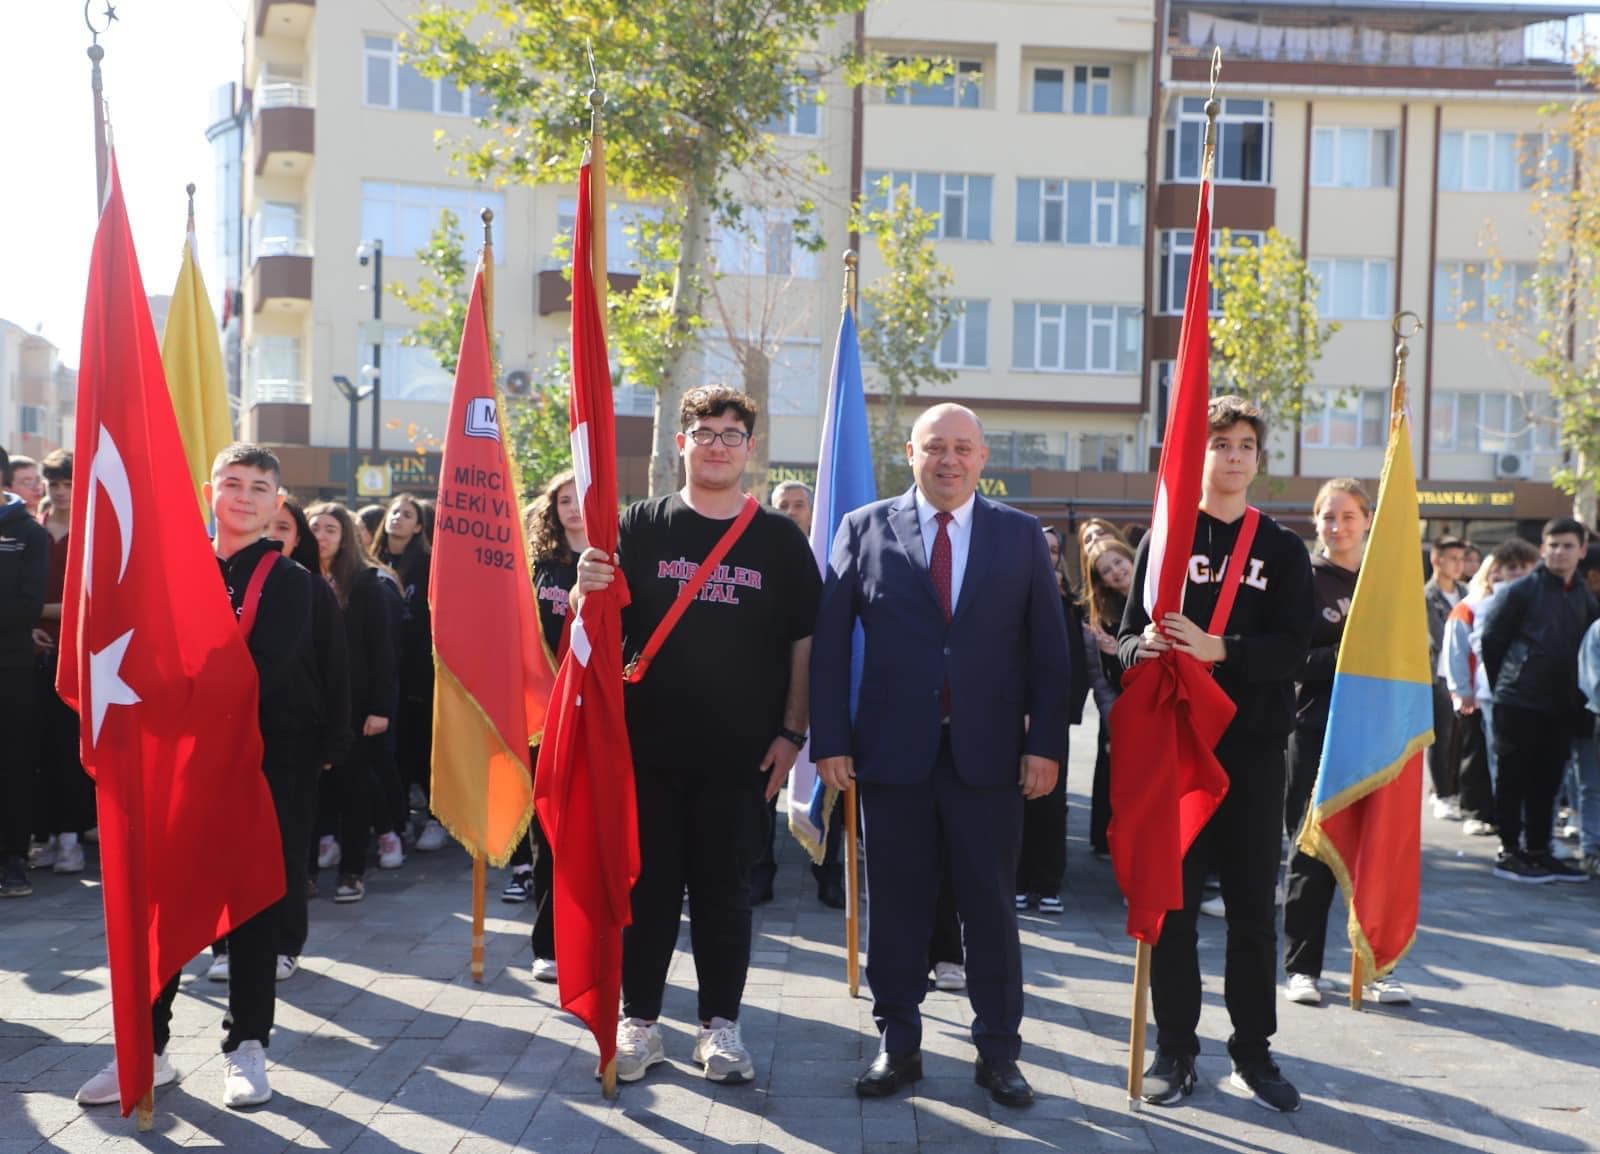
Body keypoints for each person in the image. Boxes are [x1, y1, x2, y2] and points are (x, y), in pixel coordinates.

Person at [813, 402, 1071, 1108]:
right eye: (936, 447)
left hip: (989, 760)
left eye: (963, 447)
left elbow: (1052, 654)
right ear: (911, 452)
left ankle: (998, 1053)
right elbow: (831, 647)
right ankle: (898, 1043)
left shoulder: (1019, 537)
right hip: (891, 759)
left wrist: (1045, 744)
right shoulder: (861, 529)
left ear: (983, 457)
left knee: (990, 909)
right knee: (896, 908)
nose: (949, 460)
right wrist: (829, 741)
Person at [76, 445, 342, 1109]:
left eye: (259, 487)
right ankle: (148, 1050)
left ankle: (247, 1045)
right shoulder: (167, 571)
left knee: (253, 902)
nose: (245, 497)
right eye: (233, 483)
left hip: (264, 762)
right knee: (162, 900)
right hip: (177, 761)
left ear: (277, 504)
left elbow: (266, 667)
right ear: (208, 490)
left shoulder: (292, 583)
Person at [575, 385, 820, 1086]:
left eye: (731, 433)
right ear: (680, 443)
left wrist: (792, 733)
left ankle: (720, 1028)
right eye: (704, 432)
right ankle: (640, 1022)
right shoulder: (639, 525)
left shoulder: (777, 538)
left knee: (725, 894)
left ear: (749, 448)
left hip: (743, 755)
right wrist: (591, 582)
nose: (716, 444)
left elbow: (804, 641)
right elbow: (599, 627)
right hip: (645, 750)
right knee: (646, 892)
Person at [1119, 395, 1314, 1113]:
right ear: (1195, 455)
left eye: (1245, 446)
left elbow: (1295, 647)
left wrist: (1219, 648)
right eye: (1220, 443)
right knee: (1170, 908)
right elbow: (1124, 641)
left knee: (1252, 913)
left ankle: (1253, 1051)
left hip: (1254, 752)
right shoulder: (1164, 538)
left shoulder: (1284, 549)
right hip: (1177, 753)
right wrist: (1152, 650)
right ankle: (1175, 1047)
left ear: (1259, 460)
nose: (1233, 456)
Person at [1281, 480, 1410, 1007]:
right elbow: (1287, 661)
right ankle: (1303, 968)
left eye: (1349, 516)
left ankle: (1376, 966)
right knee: (1311, 850)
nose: (1338, 526)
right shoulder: (1302, 581)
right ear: (1316, 522)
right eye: (1328, 517)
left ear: (1367, 519)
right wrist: (1345, 656)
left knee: (1375, 849)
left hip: (1377, 734)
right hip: (1315, 729)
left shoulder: (1387, 583)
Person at [1479, 518, 1598, 884]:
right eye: (1552, 545)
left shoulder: (1584, 596)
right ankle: (1510, 850)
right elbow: (1492, 643)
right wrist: (1509, 685)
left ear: (1581, 550)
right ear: (1543, 548)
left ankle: (1538, 850)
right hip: (1517, 702)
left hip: (1561, 706)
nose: (1558, 552)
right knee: (1513, 777)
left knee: (1548, 782)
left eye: (1566, 545)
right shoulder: (1520, 591)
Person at [502, 471, 586, 984]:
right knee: (547, 834)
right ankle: (549, 944)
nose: (574, 508)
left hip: (597, 713)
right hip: (541, 717)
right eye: (563, 499)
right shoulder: (537, 567)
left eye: (582, 498)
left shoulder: (617, 563)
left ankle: (594, 935)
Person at [751, 478, 844, 910]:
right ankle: (759, 871)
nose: (791, 511)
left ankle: (828, 872)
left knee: (832, 779)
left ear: (814, 510)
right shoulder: (762, 553)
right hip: (775, 685)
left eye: (799, 504)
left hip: (829, 682)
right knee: (766, 778)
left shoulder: (836, 555)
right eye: (782, 504)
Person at [309, 502, 401, 903]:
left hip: (358, 707)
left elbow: (383, 653)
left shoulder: (365, 584)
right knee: (311, 793)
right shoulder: (299, 579)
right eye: (314, 528)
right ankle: (306, 873)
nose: (321, 536)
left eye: (330, 529)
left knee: (354, 788)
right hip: (310, 706)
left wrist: (380, 708)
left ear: (345, 536)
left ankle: (352, 872)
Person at [1015, 525, 1090, 913]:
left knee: (1050, 802)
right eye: (1042, 548)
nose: (1049, 555)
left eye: (1055, 549)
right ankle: (1018, 879)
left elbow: (1073, 668)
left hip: (1050, 721)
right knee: (1014, 802)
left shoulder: (1069, 606)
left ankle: (1047, 884)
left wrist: (1058, 716)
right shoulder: (1006, 596)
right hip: (1009, 718)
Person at [28, 450, 94, 877]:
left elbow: (91, 600)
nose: (62, 493)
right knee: (38, 747)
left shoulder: (92, 532)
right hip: (31, 651)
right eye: (55, 485)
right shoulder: (31, 530)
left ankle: (71, 836)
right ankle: (48, 833)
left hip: (78, 655)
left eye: (69, 484)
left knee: (72, 747)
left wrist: (38, 610)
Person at [374, 494, 442, 851]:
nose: (398, 518)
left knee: (421, 746)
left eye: (408, 514)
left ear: (419, 526)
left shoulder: (429, 565)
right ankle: (395, 821)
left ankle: (435, 818)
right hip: (381, 670)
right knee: (392, 751)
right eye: (395, 511)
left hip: (419, 671)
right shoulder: (371, 562)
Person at [0, 448, 48, 899]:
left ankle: (14, 855)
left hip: (11, 667)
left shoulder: (28, 535)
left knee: (13, 763)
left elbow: (27, 605)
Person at [1083, 538, 1136, 857]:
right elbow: (1105, 683)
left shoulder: (1158, 595)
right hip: (1129, 717)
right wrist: (1114, 655)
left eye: (1118, 562)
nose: (1115, 572)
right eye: (1106, 570)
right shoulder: (1101, 621)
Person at [1423, 536, 1468, 820]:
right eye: (1452, 558)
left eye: (1461, 559)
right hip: (1437, 674)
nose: (1458, 565)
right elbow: (1437, 637)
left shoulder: (1466, 591)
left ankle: (1456, 790)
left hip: (1466, 673)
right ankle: (1441, 793)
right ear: (1436, 560)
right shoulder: (1426, 596)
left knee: (1461, 738)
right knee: (1442, 735)